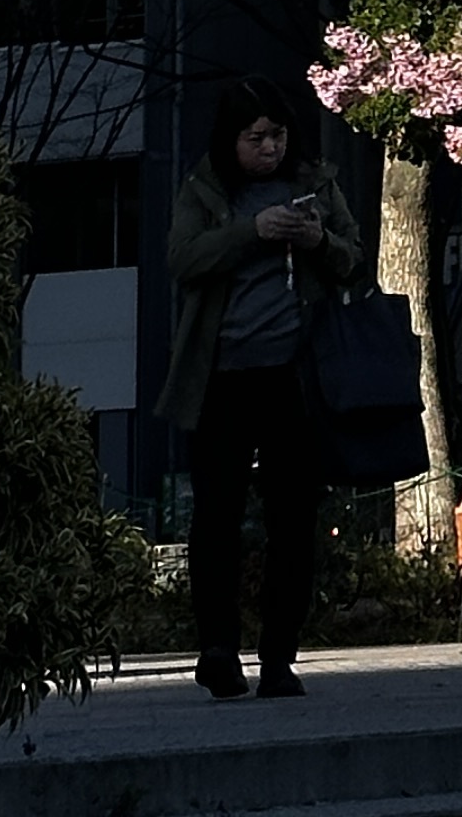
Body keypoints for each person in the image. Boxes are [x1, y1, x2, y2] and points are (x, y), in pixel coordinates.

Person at [157, 74, 361, 700]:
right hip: (220, 375)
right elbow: (182, 260)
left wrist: (317, 239)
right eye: (254, 137)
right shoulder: (205, 188)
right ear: (231, 140)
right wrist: (253, 232)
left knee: (293, 519)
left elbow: (354, 258)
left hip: (294, 375)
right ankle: (218, 649)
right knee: (216, 518)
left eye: (277, 134)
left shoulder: (315, 183)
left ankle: (279, 656)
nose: (269, 147)